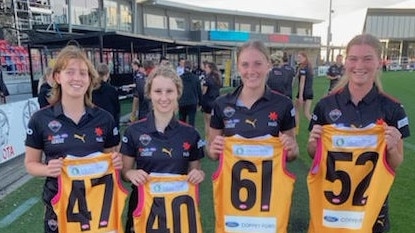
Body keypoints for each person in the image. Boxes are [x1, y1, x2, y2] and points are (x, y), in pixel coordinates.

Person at [307, 34, 410, 233]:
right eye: (353, 58)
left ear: (379, 62)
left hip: (372, 209)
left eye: (367, 58)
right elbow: (315, 155)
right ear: (346, 62)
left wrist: (392, 148)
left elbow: (396, 163)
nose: (359, 65)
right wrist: (313, 144)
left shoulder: (393, 108)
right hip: (332, 206)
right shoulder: (325, 105)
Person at [24, 45, 124, 233]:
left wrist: (116, 161)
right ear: (57, 77)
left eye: (83, 73)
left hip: (99, 210)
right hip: (59, 209)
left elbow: (113, 158)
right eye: (70, 72)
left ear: (90, 80)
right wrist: (47, 169)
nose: (77, 78)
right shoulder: (40, 120)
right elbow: (30, 164)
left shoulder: (105, 119)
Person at [208, 40, 299, 233]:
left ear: (268, 65)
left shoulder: (283, 104)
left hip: (270, 202)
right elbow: (212, 152)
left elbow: (292, 154)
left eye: (258, 63)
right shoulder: (222, 104)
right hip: (234, 203)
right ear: (238, 67)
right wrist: (214, 148)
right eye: (245, 64)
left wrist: (290, 147)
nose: (251, 70)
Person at [120, 65, 205, 233]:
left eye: (169, 91)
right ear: (149, 94)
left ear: (178, 93)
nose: (164, 97)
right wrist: (131, 174)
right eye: (158, 91)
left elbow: (195, 172)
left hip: (179, 211)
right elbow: (124, 172)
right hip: (143, 208)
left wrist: (199, 175)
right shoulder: (133, 131)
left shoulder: (191, 133)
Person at [92, 63, 121, 128]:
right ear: (107, 74)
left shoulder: (91, 89)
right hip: (109, 123)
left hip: (95, 123)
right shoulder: (112, 90)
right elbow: (117, 110)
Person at [200, 61, 221, 141]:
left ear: (210, 68)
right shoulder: (217, 77)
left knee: (207, 123)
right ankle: (214, 138)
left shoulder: (207, 78)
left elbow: (204, 91)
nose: (205, 69)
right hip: (216, 101)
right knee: (215, 123)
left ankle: (208, 140)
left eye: (206, 68)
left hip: (208, 102)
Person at [178, 60, 202, 126]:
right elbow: (199, 91)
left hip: (182, 102)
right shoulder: (196, 78)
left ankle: (181, 135)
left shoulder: (180, 78)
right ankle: (191, 135)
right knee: (191, 122)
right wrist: (200, 103)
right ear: (191, 68)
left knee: (181, 122)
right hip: (192, 102)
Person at [295, 51, 314, 134]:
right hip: (310, 92)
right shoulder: (309, 68)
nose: (298, 59)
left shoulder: (303, 69)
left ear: (305, 58)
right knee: (306, 113)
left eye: (300, 57)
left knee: (296, 110)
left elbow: (302, 83)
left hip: (304, 93)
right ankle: (315, 126)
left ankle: (296, 129)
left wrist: (301, 96)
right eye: (298, 57)